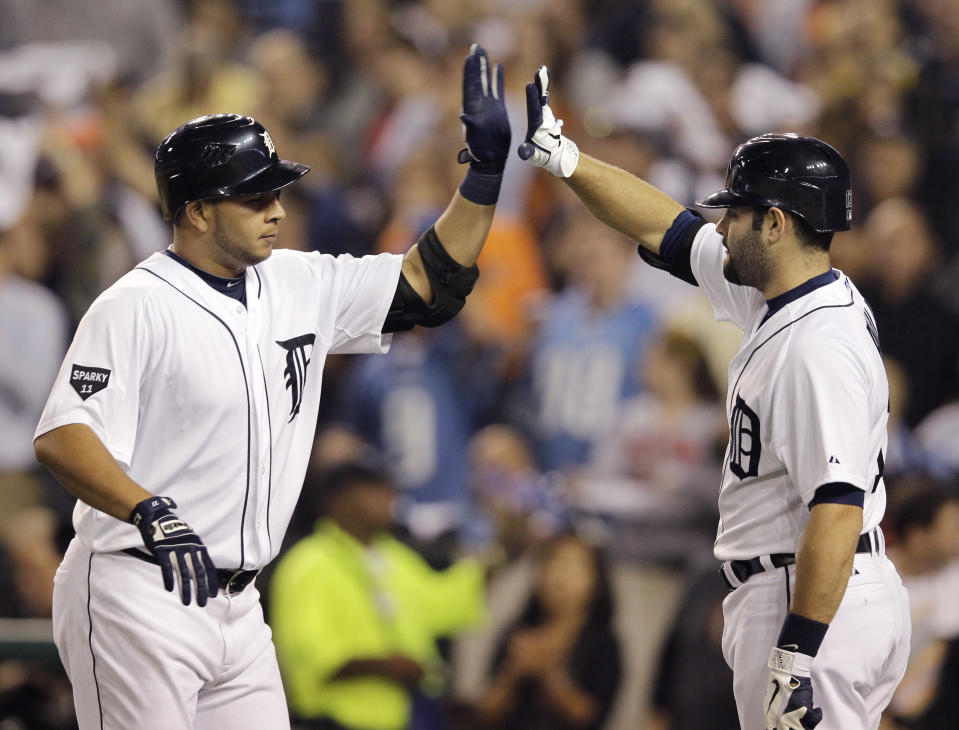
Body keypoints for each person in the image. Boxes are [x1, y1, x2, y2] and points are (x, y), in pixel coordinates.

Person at [31, 43, 510, 730]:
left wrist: (483, 177)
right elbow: (62, 434)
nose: (276, 209)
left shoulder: (296, 282)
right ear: (196, 212)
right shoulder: (134, 304)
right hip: (137, 588)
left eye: (277, 191)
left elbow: (429, 285)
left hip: (241, 603)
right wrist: (146, 509)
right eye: (254, 196)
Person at [516, 67, 910, 730]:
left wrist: (796, 652)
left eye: (737, 212)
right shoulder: (779, 295)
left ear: (777, 224)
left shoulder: (818, 343)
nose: (721, 225)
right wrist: (567, 161)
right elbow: (665, 228)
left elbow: (837, 511)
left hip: (810, 601)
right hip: (809, 596)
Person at [269, 459, 485, 730]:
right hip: (332, 723)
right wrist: (387, 665)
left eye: (388, 489)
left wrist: (485, 567)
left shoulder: (394, 556)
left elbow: (444, 605)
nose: (389, 498)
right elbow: (308, 657)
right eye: (375, 490)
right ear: (339, 501)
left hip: (405, 718)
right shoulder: (308, 563)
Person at [476, 533, 622, 730]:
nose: (560, 575)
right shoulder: (518, 633)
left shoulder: (603, 644)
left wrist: (549, 675)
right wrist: (515, 672)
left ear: (595, 581)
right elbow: (486, 711)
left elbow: (590, 716)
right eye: (552, 562)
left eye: (573, 566)